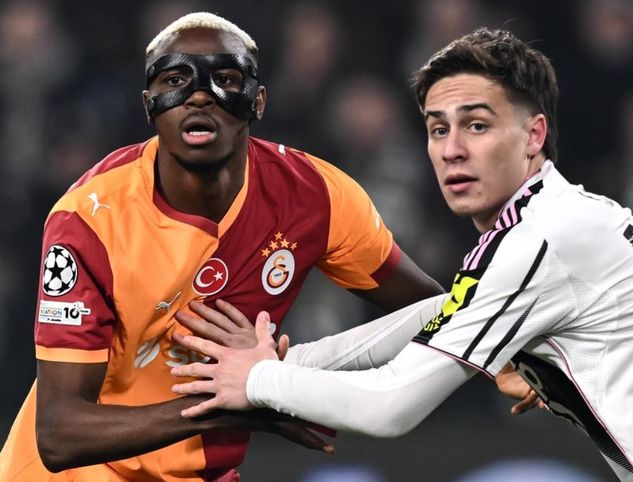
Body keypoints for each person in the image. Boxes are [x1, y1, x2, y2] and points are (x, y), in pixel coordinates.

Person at [170, 28, 633, 482]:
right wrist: (284, 360)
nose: (452, 150)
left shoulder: (541, 238)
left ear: (533, 136)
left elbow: (390, 408)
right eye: (438, 129)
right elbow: (438, 312)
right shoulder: (561, 217)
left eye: (477, 126)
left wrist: (258, 379)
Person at [0, 11, 447, 482]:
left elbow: (439, 317)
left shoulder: (316, 197)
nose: (199, 95)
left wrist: (286, 382)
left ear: (258, 101)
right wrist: (234, 402)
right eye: (176, 80)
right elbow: (60, 434)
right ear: (149, 105)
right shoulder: (89, 219)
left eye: (225, 79)